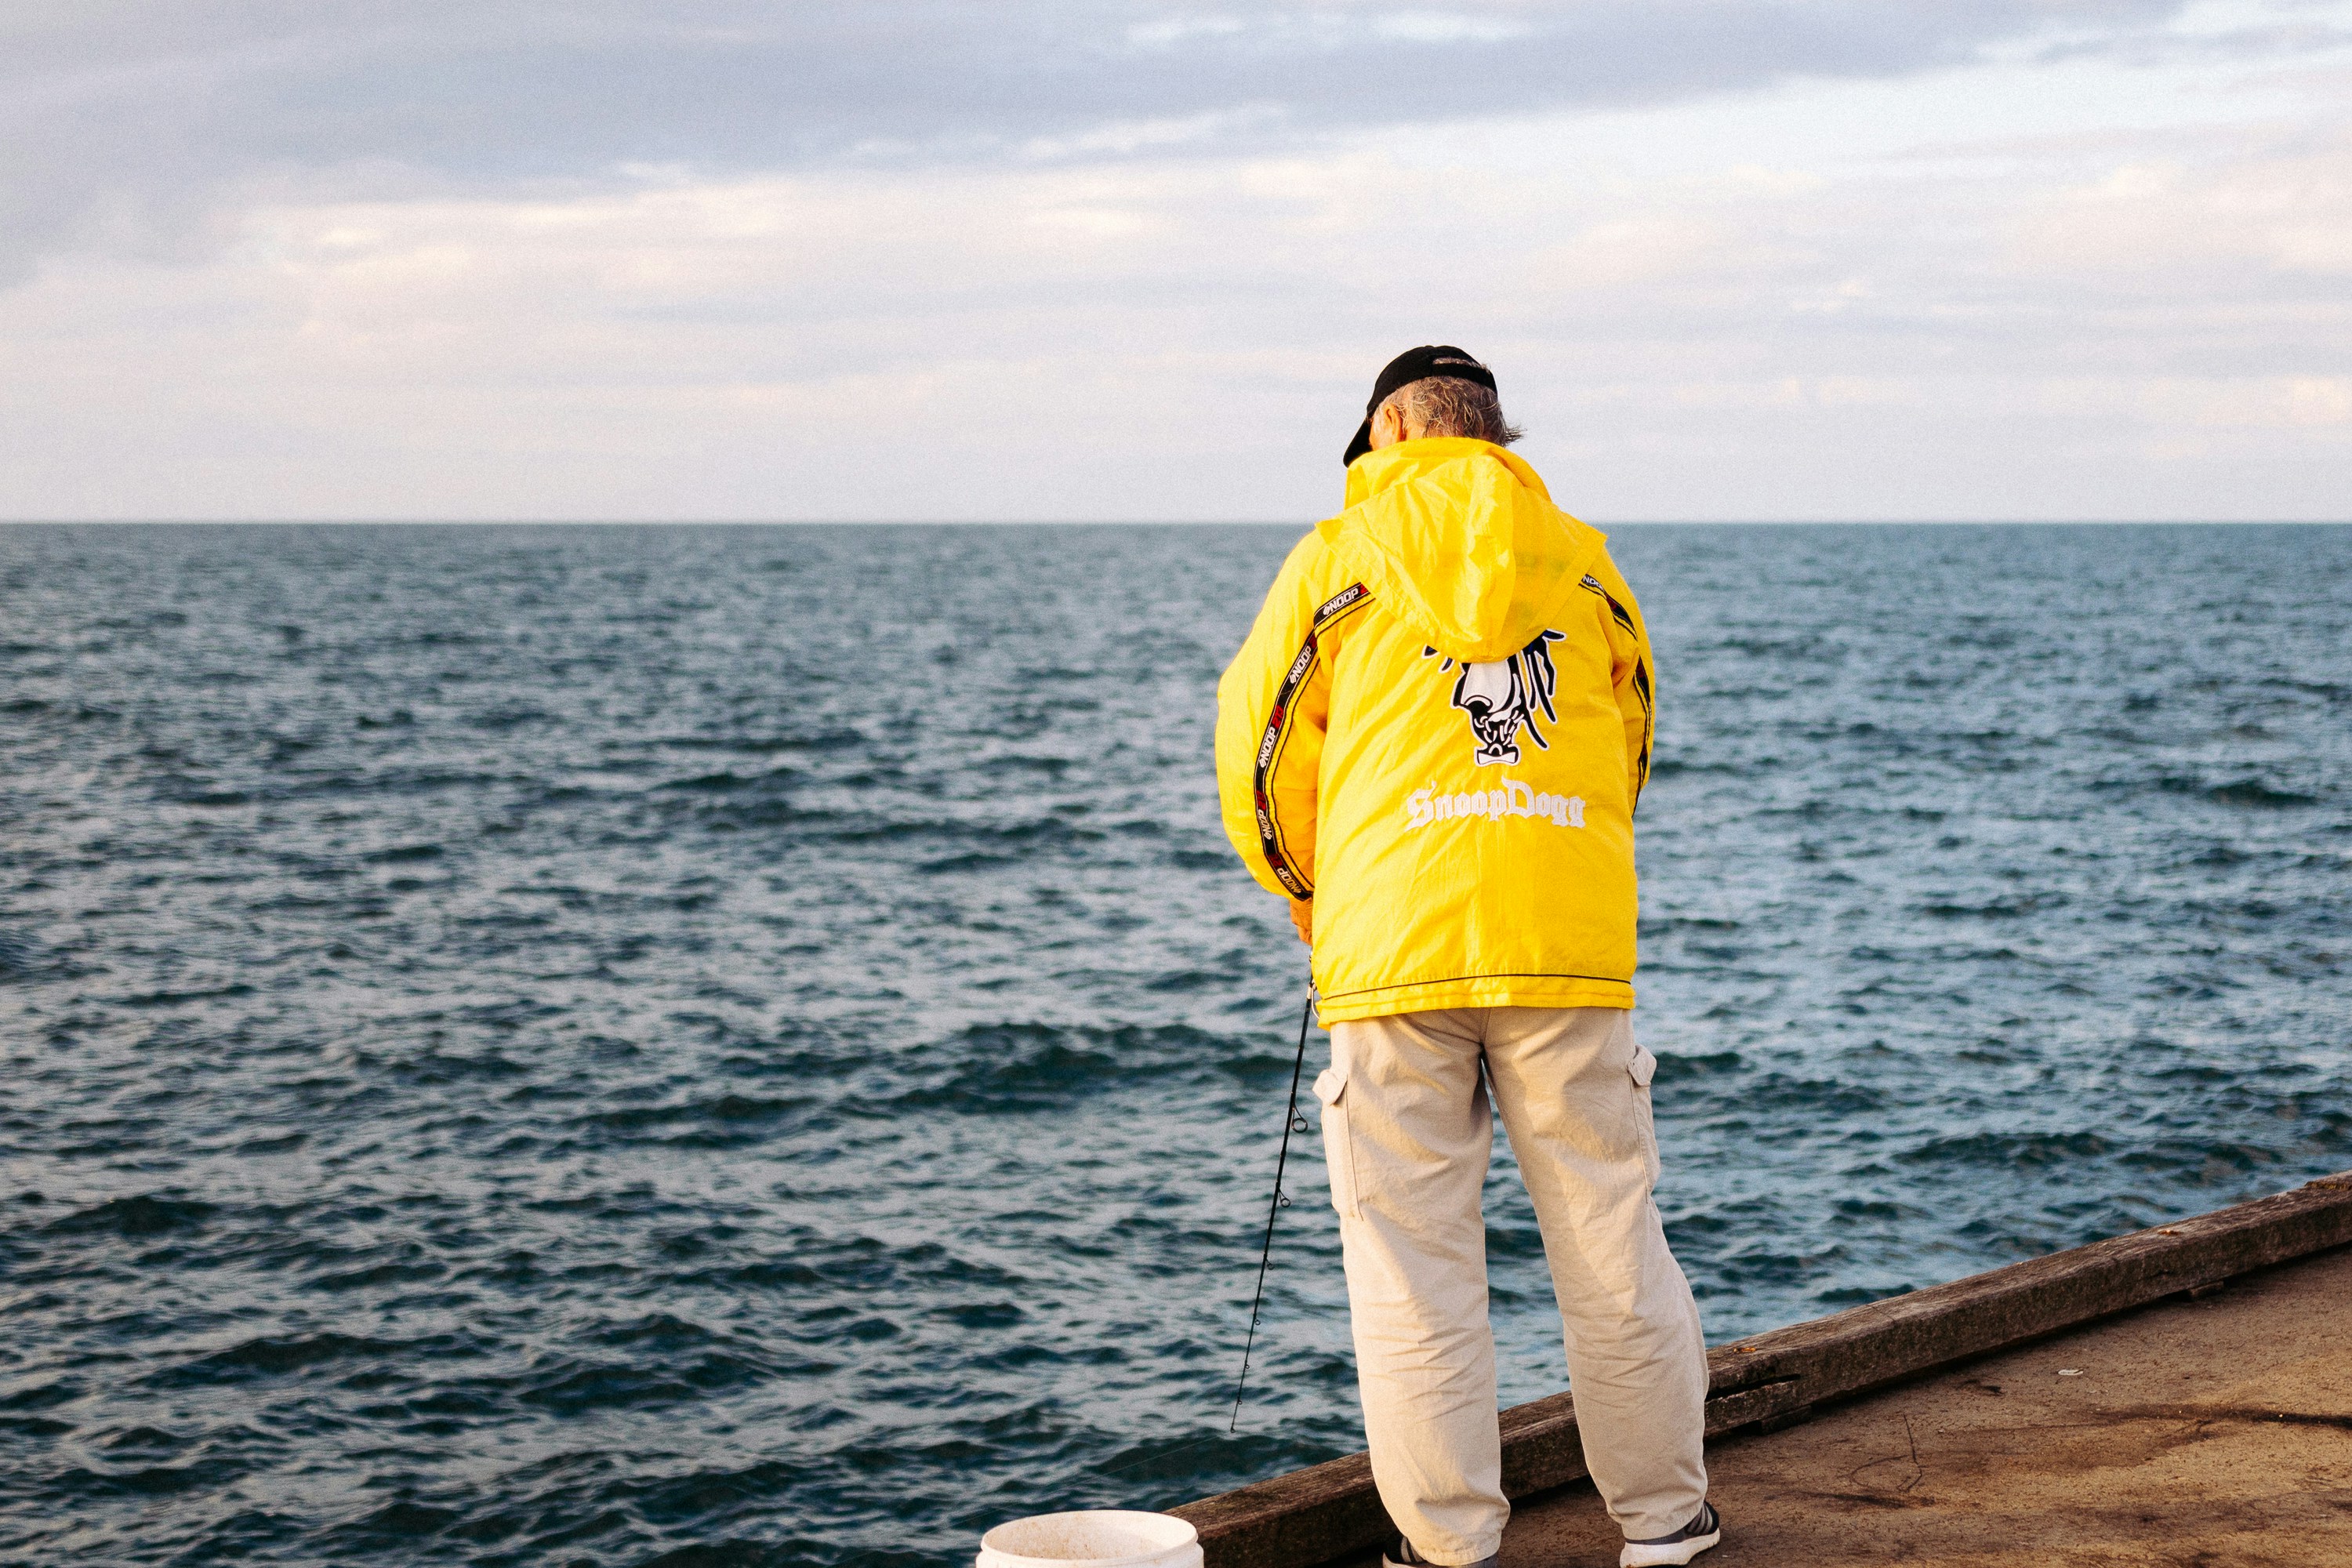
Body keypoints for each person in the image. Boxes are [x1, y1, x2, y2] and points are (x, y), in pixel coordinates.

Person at [1214, 348, 1719, 1568]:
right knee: (1612, 1239)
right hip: (1561, 944)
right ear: (1495, 434)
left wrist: (1315, 897)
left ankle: (1446, 1549)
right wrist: (1561, 858)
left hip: (1393, 950)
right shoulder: (1586, 563)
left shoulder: (1336, 560)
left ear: (1389, 428)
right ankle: (1664, 1524)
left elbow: (1260, 756)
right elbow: (1631, 737)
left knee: (1412, 1267)